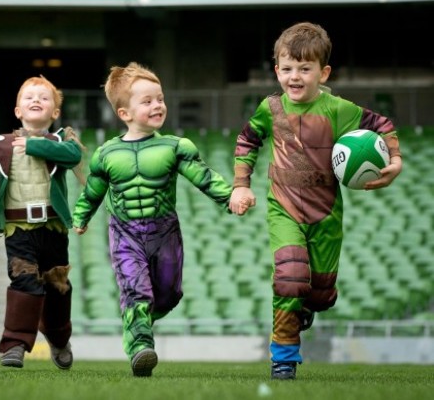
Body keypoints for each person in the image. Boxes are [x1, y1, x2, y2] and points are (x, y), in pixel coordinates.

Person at [228, 22, 403, 380]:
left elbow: (382, 125)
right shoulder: (269, 108)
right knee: (289, 278)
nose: (295, 76)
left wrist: (395, 162)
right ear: (276, 70)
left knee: (321, 294)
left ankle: (306, 308)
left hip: (326, 212)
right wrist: (241, 185)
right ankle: (284, 357)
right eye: (287, 68)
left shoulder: (338, 109)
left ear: (323, 73)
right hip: (284, 208)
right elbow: (247, 141)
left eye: (305, 69)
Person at [72, 62, 244, 377]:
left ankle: (140, 317)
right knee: (136, 290)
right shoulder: (106, 154)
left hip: (165, 231)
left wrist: (230, 197)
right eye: (147, 101)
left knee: (168, 293)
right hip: (125, 233)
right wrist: (81, 216)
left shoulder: (176, 146)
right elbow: (93, 191)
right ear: (124, 113)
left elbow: (203, 177)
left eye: (160, 99)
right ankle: (140, 346)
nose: (157, 105)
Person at [0, 75, 84, 370]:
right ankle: (15, 344)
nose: (36, 101)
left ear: (54, 112)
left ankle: (58, 338)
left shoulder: (61, 142)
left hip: (53, 229)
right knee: (24, 280)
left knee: (58, 287)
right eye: (29, 97)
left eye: (44, 98)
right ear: (17, 110)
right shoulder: (1, 146)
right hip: (19, 230)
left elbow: (73, 156)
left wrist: (33, 146)